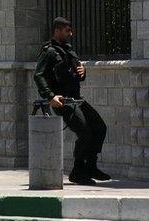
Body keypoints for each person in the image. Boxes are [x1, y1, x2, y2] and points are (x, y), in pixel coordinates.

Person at [34, 17, 109, 186]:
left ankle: (91, 167)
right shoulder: (49, 51)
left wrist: (83, 71)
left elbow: (76, 74)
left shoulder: (69, 51)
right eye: (67, 30)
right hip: (63, 101)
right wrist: (50, 96)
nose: (70, 33)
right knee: (84, 132)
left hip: (77, 99)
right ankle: (77, 171)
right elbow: (38, 76)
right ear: (57, 31)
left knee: (100, 127)